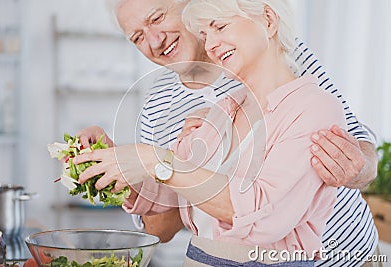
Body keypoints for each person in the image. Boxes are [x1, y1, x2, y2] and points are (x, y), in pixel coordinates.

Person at [74, 0, 380, 266]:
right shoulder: (188, 108)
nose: (154, 40)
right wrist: (112, 166)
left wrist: (360, 170)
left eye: (156, 18)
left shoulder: (286, 57)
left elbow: (351, 137)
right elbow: (163, 219)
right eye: (138, 37)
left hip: (346, 252)